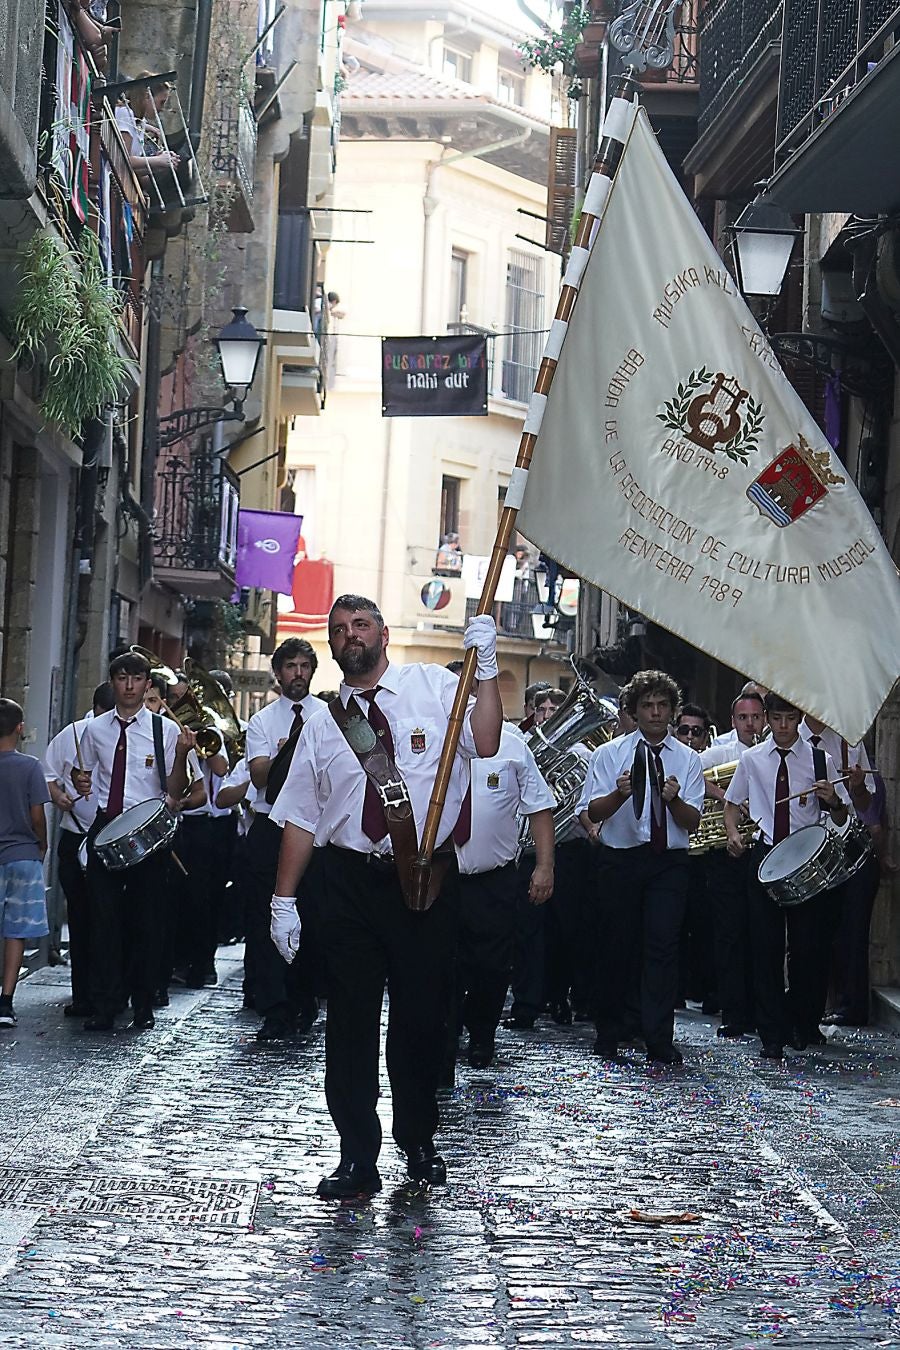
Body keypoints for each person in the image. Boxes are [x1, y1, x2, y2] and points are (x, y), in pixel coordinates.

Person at [269, 595, 502, 1197]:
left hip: (424, 880)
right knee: (349, 1021)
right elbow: (301, 815)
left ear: (383, 633)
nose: (351, 635)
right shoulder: (323, 722)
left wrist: (487, 670)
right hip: (347, 882)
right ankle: (356, 1156)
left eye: (362, 625)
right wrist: (283, 899)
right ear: (331, 644)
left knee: (421, 1017)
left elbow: (486, 740)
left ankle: (419, 1142)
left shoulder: (432, 687)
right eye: (339, 629)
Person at [578, 670, 704, 1065]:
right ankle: (609, 1031)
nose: (655, 712)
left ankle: (658, 1037)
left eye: (662, 705)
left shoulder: (688, 759)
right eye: (647, 705)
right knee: (616, 945)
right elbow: (592, 811)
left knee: (663, 947)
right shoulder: (609, 754)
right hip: (621, 858)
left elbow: (693, 821)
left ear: (672, 709)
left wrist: (673, 800)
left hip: (668, 861)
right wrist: (619, 794)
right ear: (634, 710)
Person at [70, 651, 199, 1032]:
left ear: (147, 684)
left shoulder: (164, 730)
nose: (129, 686)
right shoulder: (94, 729)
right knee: (104, 921)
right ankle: (105, 1004)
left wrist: (181, 755)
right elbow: (82, 773)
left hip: (147, 833)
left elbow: (175, 789)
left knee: (147, 921)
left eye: (136, 678)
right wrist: (80, 781)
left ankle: (143, 1002)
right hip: (106, 826)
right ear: (113, 682)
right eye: (122, 678)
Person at [724, 693, 853, 1058]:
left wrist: (833, 800)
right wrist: (733, 833)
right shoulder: (752, 759)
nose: (783, 726)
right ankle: (771, 1033)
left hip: (804, 859)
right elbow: (732, 803)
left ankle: (801, 1022)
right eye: (777, 718)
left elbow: (842, 816)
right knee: (764, 947)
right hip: (765, 854)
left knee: (806, 946)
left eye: (790, 719)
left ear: (799, 719)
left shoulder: (820, 759)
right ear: (767, 718)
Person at [446, 661, 555, 1068]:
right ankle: (444, 1039)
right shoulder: (429, 741)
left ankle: (482, 1036)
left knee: (491, 966)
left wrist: (544, 867)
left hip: (493, 879)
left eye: (472, 688)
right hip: (440, 877)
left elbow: (540, 807)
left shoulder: (512, 745)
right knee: (442, 963)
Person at [244, 637, 327, 1041]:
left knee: (312, 914)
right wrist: (287, 752)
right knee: (265, 918)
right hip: (270, 825)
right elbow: (260, 776)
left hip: (312, 825)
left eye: (304, 666)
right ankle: (273, 1007)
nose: (298, 673)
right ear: (278, 673)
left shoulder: (327, 716)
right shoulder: (262, 721)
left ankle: (304, 999)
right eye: (291, 666)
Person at [799, 714, 877, 1026]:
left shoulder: (849, 741)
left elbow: (866, 802)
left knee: (853, 928)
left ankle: (851, 1005)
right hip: (805, 847)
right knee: (810, 931)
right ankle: (807, 1004)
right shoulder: (788, 738)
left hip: (846, 842)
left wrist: (857, 787)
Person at [43, 681, 116, 1018]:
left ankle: (112, 991)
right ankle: (83, 994)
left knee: (112, 918)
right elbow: (48, 774)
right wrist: (60, 797)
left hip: (113, 838)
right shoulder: (73, 734)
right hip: (76, 835)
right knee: (81, 917)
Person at [700, 691, 765, 1038]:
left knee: (762, 934)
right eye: (743, 718)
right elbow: (690, 770)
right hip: (727, 854)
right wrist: (728, 796)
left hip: (764, 849)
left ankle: (761, 1011)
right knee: (729, 934)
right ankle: (734, 1012)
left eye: (756, 717)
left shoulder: (773, 751)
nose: (750, 724)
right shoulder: (720, 752)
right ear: (733, 721)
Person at [0, 700, 50, 1029]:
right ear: (20, 728)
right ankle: (5, 1002)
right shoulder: (30, 767)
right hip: (22, 855)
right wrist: (41, 844)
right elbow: (37, 816)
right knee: (16, 932)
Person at [673, 704, 717, 1014]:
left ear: (705, 738)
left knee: (704, 924)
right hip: (673, 853)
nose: (689, 736)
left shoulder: (714, 758)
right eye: (684, 730)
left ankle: (704, 988)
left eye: (696, 732)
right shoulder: (669, 757)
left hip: (704, 858)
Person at [115, 75, 180, 183]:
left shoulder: (139, 121)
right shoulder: (125, 113)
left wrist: (160, 164)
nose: (162, 109)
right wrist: (157, 160)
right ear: (147, 96)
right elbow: (122, 160)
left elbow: (132, 169)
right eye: (162, 102)